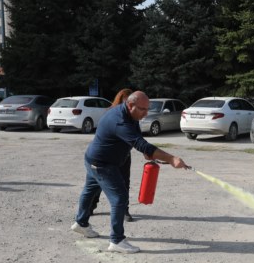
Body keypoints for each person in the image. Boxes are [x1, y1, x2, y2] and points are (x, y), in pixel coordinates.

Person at [71, 91, 190, 253]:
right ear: (130, 105)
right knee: (119, 198)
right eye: (142, 109)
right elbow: (141, 143)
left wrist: (146, 152)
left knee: (89, 190)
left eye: (148, 109)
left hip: (94, 159)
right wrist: (171, 158)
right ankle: (117, 241)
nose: (146, 113)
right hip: (103, 164)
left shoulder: (129, 114)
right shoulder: (120, 120)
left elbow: (136, 137)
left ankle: (81, 223)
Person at [91, 89, 134, 221]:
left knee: (125, 181)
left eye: (130, 101)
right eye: (125, 100)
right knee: (98, 181)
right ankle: (91, 206)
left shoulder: (132, 115)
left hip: (124, 154)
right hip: (108, 154)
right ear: (120, 100)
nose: (127, 103)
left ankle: (125, 210)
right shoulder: (111, 113)